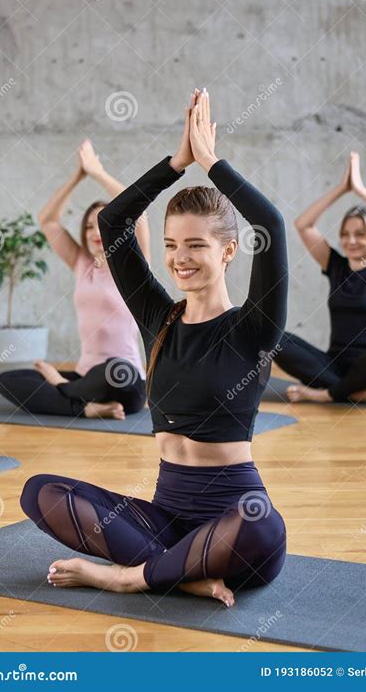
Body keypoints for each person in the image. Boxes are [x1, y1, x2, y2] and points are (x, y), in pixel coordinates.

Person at [20, 88, 289, 606]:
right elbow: (112, 222)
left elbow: (271, 225)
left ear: (229, 250)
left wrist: (210, 164)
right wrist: (175, 163)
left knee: (263, 523)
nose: (179, 259)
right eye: (170, 245)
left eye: (195, 245)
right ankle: (179, 574)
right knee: (41, 492)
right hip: (164, 521)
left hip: (233, 525)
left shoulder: (255, 327)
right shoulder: (157, 318)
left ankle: (128, 577)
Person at [0, 140, 147, 419]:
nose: (95, 230)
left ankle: (63, 388)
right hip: (85, 377)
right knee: (8, 380)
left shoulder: (132, 266)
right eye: (89, 225)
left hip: (125, 380)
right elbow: (48, 220)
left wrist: (98, 171)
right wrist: (79, 175)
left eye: (103, 223)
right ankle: (87, 407)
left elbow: (140, 214)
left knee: (114, 368)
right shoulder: (82, 263)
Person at [274, 152, 366, 404]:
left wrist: (360, 190)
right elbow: (303, 224)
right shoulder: (335, 265)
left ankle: (326, 395)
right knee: (274, 338)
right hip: (333, 367)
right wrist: (341, 189)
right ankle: (351, 392)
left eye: (360, 233)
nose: (351, 240)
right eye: (345, 234)